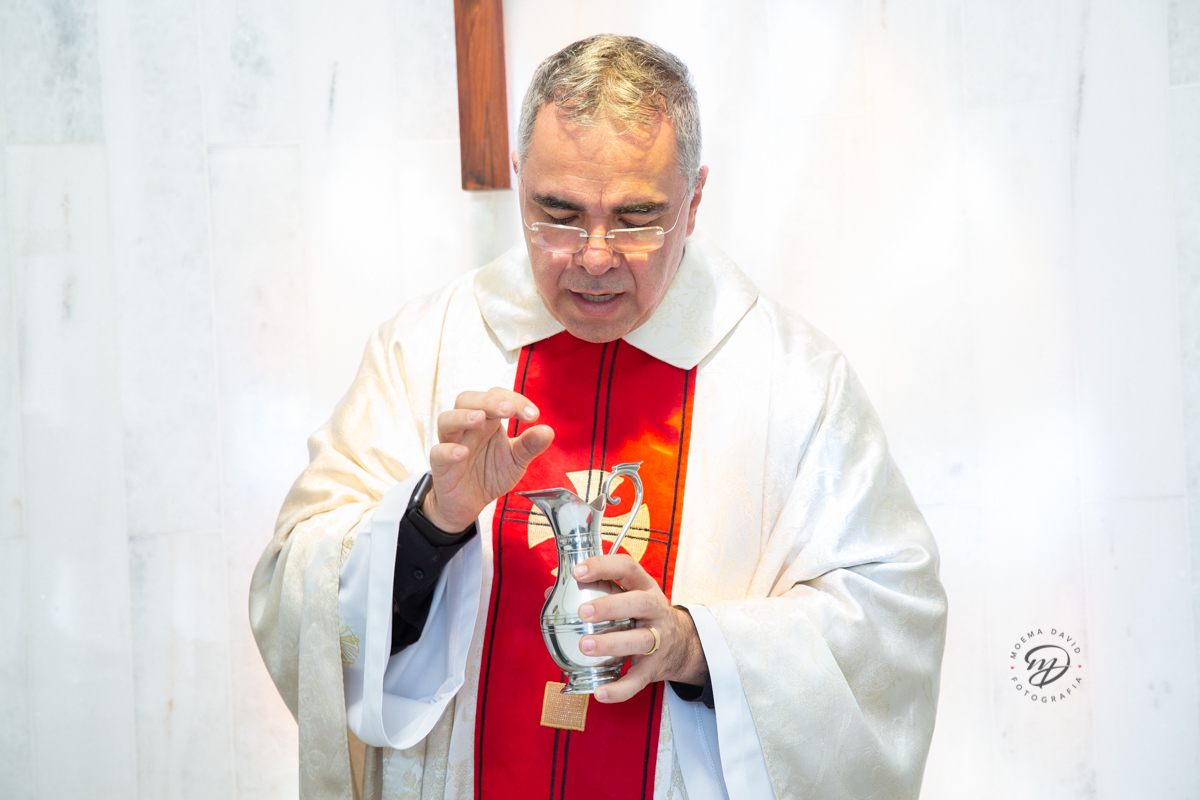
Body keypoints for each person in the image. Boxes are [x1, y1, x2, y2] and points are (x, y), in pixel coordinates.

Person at [250, 34, 947, 800]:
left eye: (638, 217)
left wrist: (695, 646)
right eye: (559, 213)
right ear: (519, 183)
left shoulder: (792, 382)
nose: (594, 255)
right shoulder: (426, 350)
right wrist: (430, 520)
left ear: (697, 197)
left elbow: (890, 621)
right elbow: (293, 588)